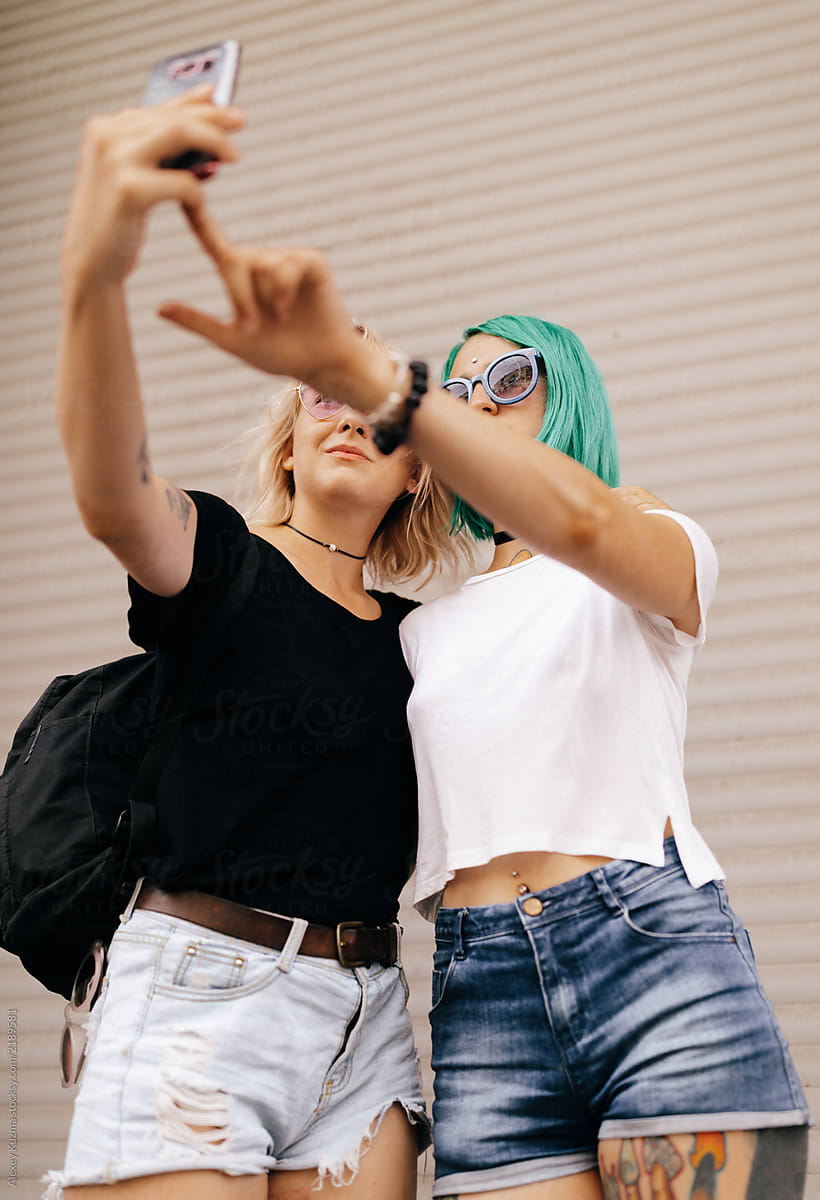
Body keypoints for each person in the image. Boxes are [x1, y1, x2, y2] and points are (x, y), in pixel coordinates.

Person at [157, 215, 811, 1198]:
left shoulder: (648, 542)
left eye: (510, 382)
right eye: (455, 394)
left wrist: (380, 373)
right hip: (480, 984)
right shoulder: (420, 632)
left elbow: (582, 519)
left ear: (569, 400)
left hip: (646, 953)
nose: (477, 406)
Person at [45, 86, 470, 1200]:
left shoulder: (427, 643)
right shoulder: (221, 562)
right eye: (320, 389)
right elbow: (111, 493)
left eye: (374, 398)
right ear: (288, 438)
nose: (345, 411)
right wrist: (97, 276)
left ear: (417, 462)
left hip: (366, 1020)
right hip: (199, 995)